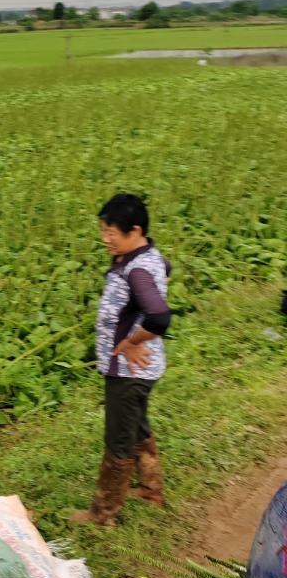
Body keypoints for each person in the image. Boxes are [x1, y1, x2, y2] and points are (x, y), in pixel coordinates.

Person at [73, 193, 172, 527]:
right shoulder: (146, 257)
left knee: (118, 441)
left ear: (135, 230)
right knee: (138, 427)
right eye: (103, 230)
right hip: (144, 370)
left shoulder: (138, 270)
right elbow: (164, 271)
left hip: (129, 372)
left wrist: (132, 341)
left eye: (112, 232)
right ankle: (150, 488)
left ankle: (103, 515)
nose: (106, 238)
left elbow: (159, 317)